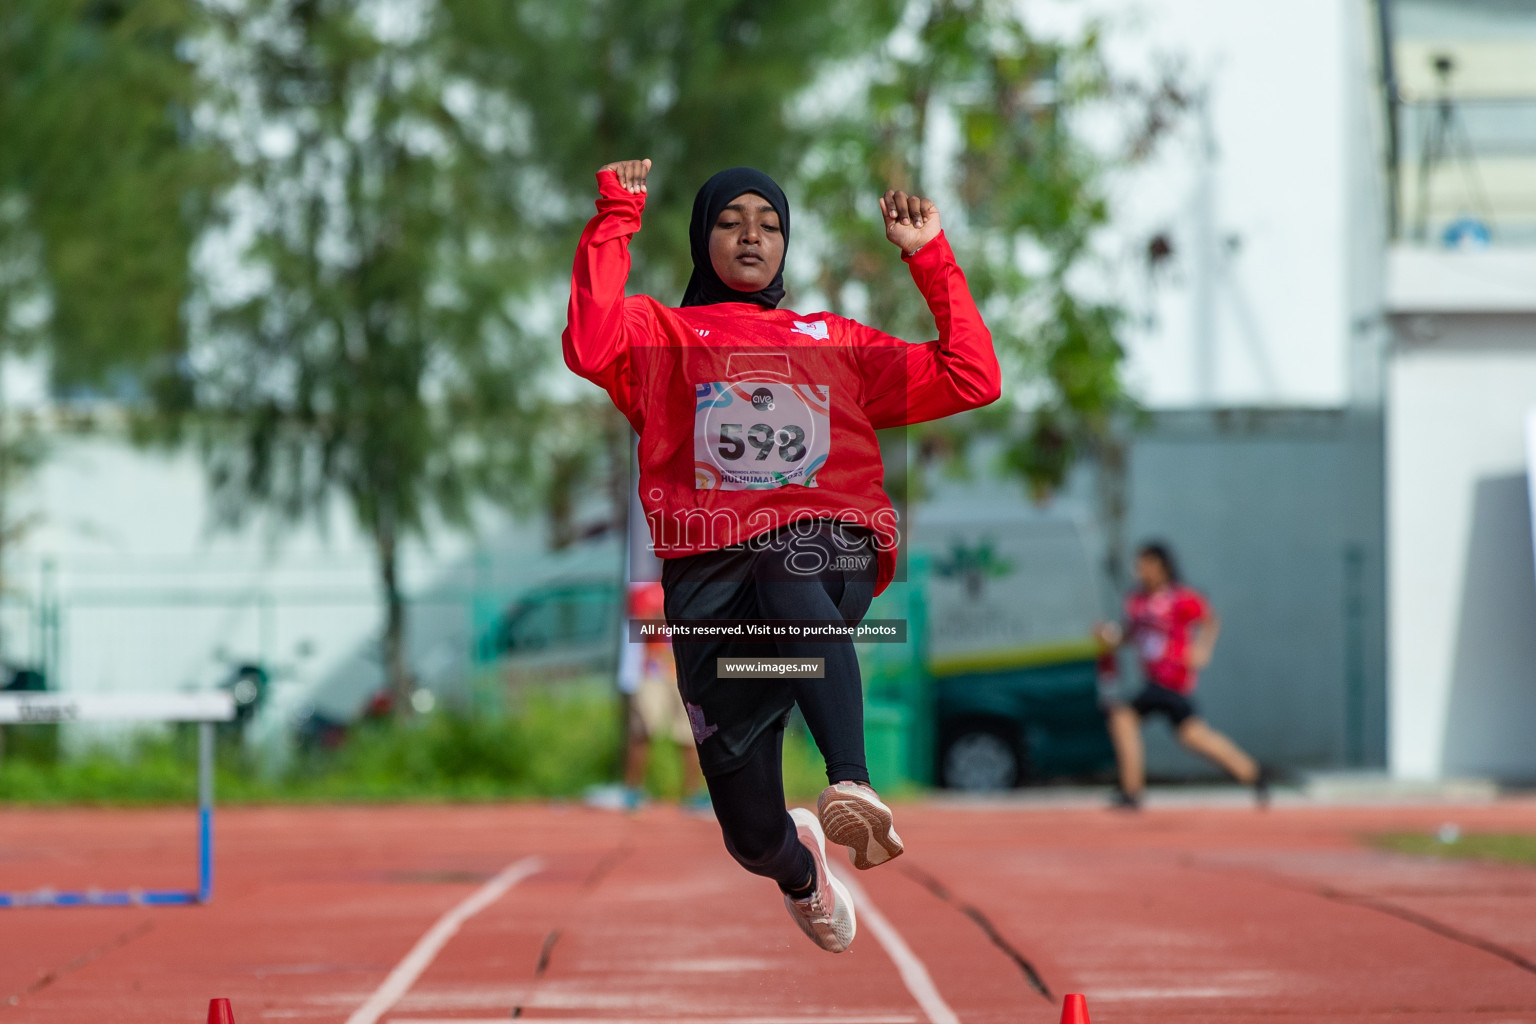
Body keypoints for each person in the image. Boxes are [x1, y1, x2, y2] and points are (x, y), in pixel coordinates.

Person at [563, 158, 999, 953]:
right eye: (731, 222)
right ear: (702, 241)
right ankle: (802, 869)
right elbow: (588, 342)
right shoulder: (659, 336)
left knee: (786, 558)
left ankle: (853, 785)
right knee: (750, 836)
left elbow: (972, 377)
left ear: (788, 243)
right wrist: (615, 215)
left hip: (828, 552)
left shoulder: (834, 340)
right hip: (714, 604)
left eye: (769, 223)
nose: (752, 235)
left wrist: (931, 255)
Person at [1095, 541, 1269, 810]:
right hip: (1153, 682)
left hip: (1174, 681)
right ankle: (1253, 773)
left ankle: (1133, 792)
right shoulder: (1136, 601)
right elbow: (1129, 636)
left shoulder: (1179, 597)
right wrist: (1109, 636)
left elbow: (1211, 619)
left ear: (1161, 566)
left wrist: (1202, 650)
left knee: (1128, 718)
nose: (1139, 570)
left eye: (1145, 563)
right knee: (1188, 735)